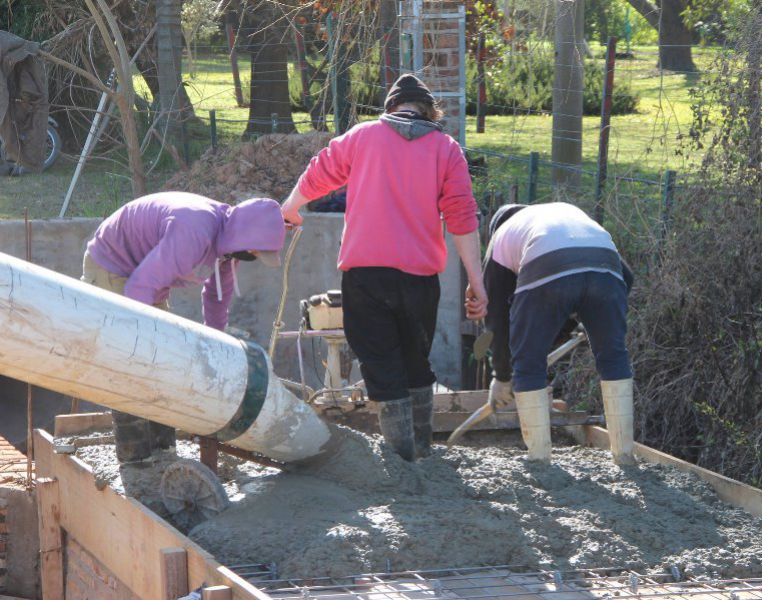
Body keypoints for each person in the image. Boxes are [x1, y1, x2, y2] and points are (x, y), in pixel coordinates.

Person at [282, 74, 486, 461]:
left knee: (381, 363)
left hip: (366, 276)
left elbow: (320, 171)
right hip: (420, 280)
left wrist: (290, 207)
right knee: (416, 362)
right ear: (430, 112)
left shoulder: (362, 137)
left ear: (390, 108)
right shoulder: (447, 149)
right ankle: (422, 453)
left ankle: (400, 456)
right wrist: (477, 283)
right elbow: (462, 216)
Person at [82, 191, 287, 463]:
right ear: (245, 237)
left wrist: (218, 346)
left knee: (163, 362)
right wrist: (139, 344)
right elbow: (139, 289)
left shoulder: (227, 243)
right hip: (113, 267)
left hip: (143, 275)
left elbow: (218, 296)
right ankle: (136, 459)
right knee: (131, 362)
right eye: (254, 251)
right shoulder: (194, 232)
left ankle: (163, 451)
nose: (252, 256)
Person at [483, 203, 636, 464]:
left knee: (528, 364)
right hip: (606, 268)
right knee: (613, 358)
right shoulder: (560, 214)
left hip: (548, 261)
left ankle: (539, 458)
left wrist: (503, 375)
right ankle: (624, 455)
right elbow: (627, 277)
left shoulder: (500, 239)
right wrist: (591, 319)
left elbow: (496, 317)